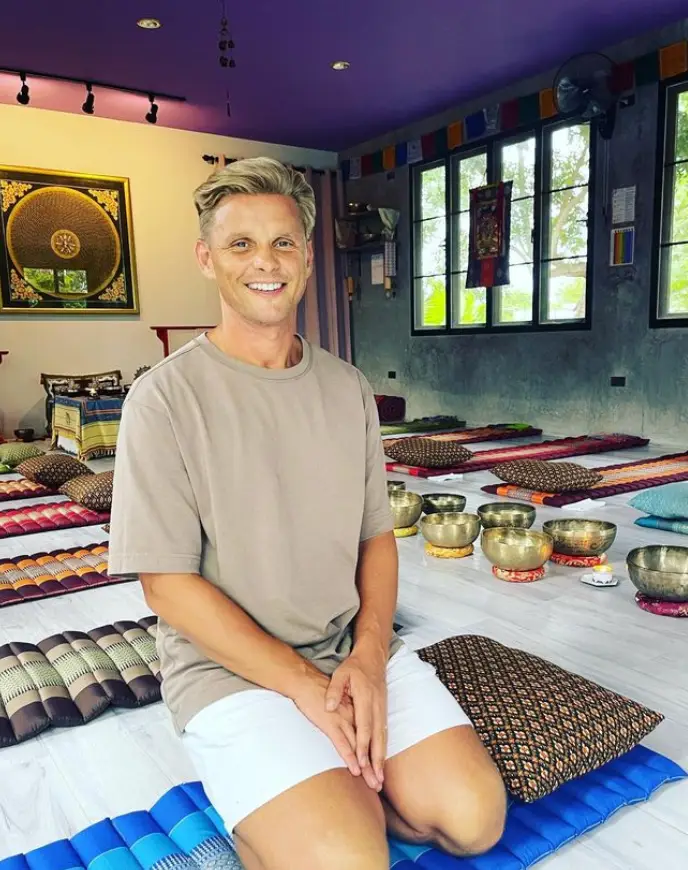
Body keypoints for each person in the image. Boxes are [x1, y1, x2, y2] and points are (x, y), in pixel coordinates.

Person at [108, 157, 505, 870]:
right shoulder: (164, 399)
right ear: (207, 258)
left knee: (474, 821)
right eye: (241, 244)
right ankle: (297, 817)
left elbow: (376, 538)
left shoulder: (347, 388)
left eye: (283, 242)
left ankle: (345, 797)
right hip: (231, 672)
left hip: (348, 651)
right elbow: (165, 585)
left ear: (307, 258)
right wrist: (302, 689)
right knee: (350, 859)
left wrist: (368, 659)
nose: (266, 262)